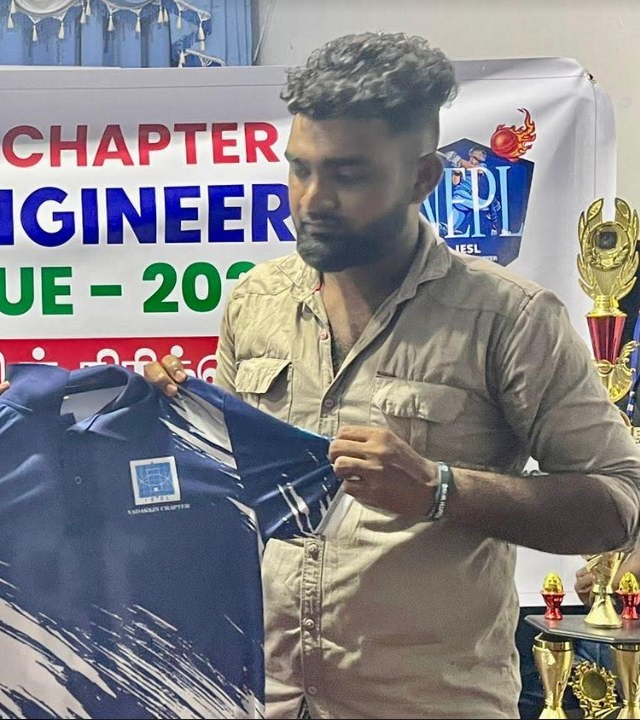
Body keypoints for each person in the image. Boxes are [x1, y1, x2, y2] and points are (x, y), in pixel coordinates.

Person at [143, 32, 640, 718]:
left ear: (421, 178)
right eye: (299, 169)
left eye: (347, 175)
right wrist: (167, 427)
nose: (312, 198)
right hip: (266, 698)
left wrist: (439, 490)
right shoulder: (256, 301)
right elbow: (229, 498)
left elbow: (616, 504)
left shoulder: (508, 318)